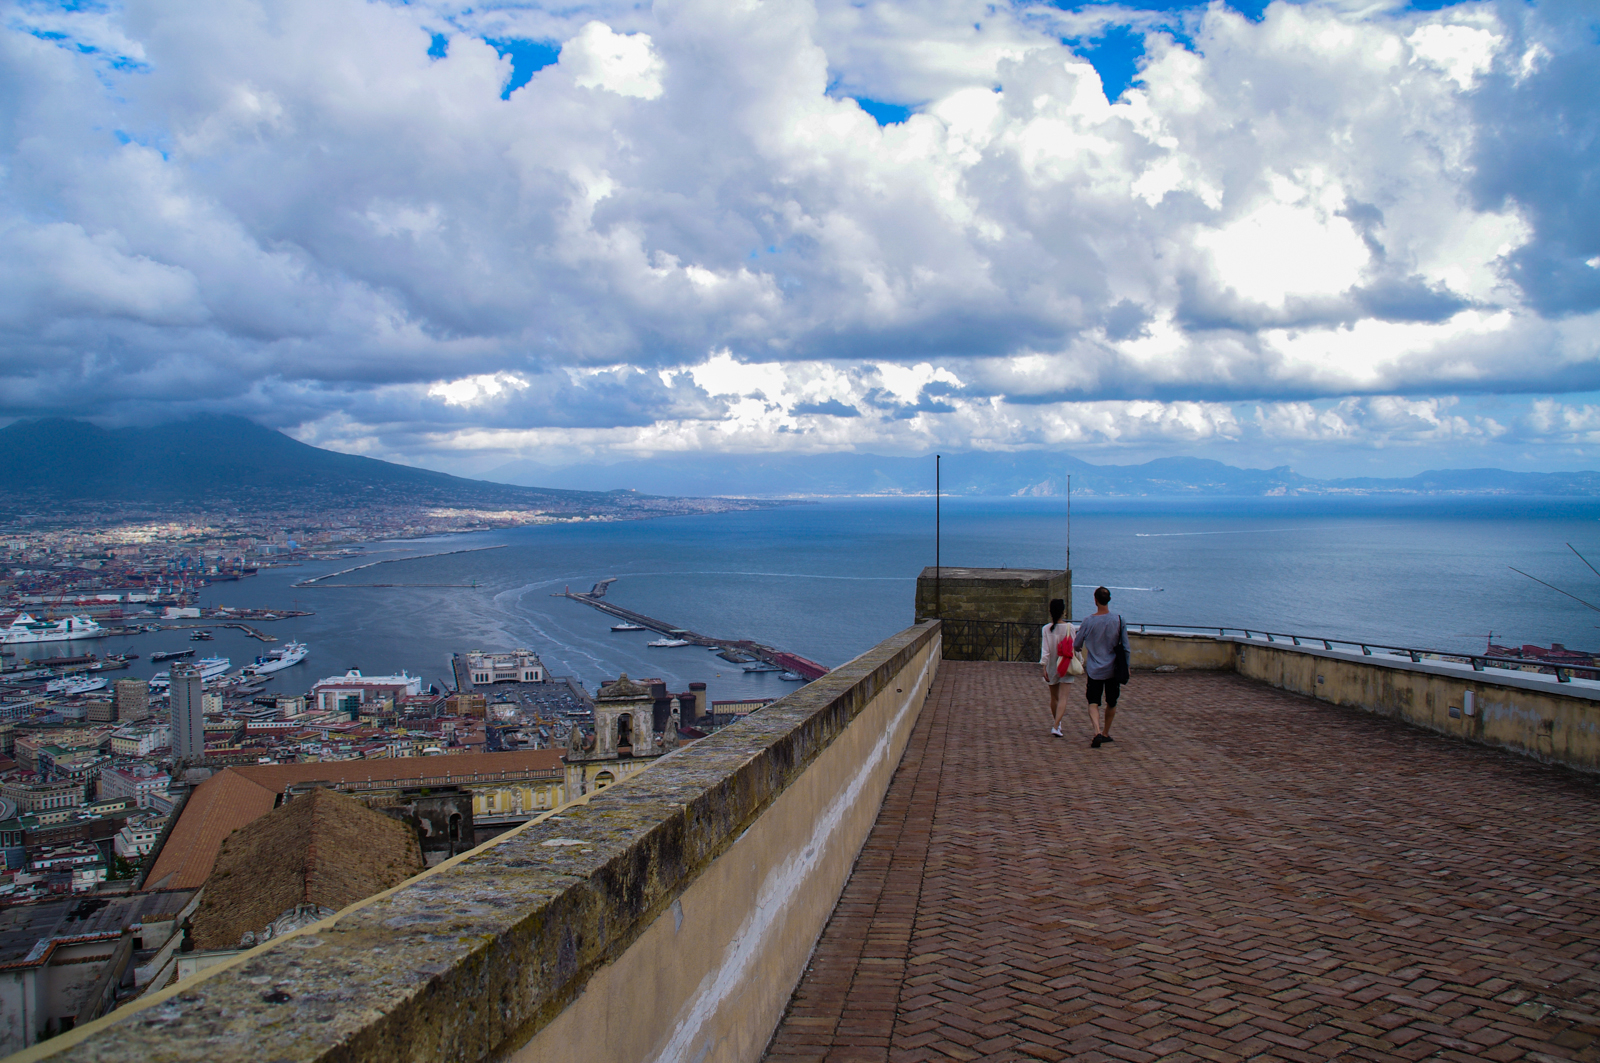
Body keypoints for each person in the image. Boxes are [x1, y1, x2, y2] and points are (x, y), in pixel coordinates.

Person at [1076, 585, 1130, 748]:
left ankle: (1097, 731)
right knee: (1112, 702)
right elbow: (1126, 647)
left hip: (1094, 670)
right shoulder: (1119, 620)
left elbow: (1077, 644)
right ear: (1109, 600)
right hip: (1113, 669)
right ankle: (1106, 733)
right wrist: (1126, 666)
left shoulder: (1088, 621)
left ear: (1095, 600)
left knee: (1093, 701)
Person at [1039, 597, 1076, 737]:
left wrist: (1044, 665)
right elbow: (1074, 648)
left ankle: (1057, 723)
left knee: (1054, 697)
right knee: (1063, 698)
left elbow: (1045, 650)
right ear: (1063, 612)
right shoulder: (1070, 627)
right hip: (1065, 665)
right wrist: (1081, 660)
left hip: (1052, 665)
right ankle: (1056, 726)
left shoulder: (1046, 629)